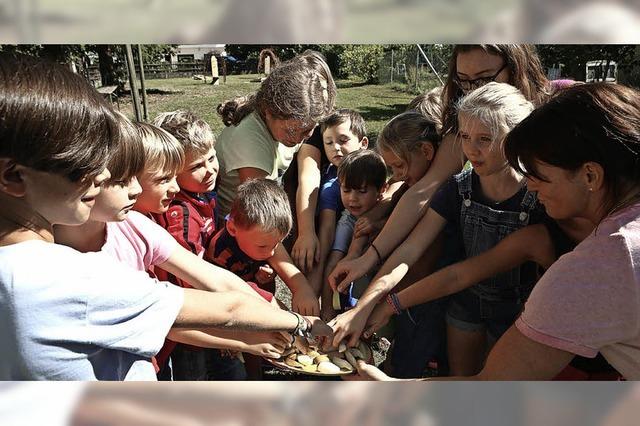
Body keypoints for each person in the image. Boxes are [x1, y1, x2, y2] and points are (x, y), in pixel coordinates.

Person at [0, 52, 331, 380]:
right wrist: (299, 323)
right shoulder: (67, 280)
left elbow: (210, 280)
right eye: (84, 163)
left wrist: (261, 324)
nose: (102, 177)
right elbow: (224, 311)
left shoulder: (116, 234)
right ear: (14, 177)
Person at [354, 82, 640, 381]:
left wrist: (388, 387)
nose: (530, 185)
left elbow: (492, 386)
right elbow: (462, 274)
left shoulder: (593, 268)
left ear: (591, 175)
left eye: (540, 175)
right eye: (465, 136)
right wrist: (387, 303)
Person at [53, 114, 290, 377]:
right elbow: (172, 317)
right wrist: (247, 336)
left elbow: (212, 278)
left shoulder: (136, 225)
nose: (175, 188)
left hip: (150, 359)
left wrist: (279, 316)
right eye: (122, 180)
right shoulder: (75, 262)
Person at [332, 83, 544, 377]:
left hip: (519, 316)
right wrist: (363, 307)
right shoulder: (457, 189)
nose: (472, 149)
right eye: (466, 137)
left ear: (517, 135)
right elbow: (409, 249)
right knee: (460, 384)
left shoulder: (539, 195)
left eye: (485, 138)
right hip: (464, 310)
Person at [329, 45, 558, 304]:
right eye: (464, 80)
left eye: (484, 78)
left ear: (516, 68)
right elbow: (423, 191)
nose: (473, 90)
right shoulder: (459, 161)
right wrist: (368, 259)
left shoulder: (556, 109)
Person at [150, 109, 245, 381]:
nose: (210, 170)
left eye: (212, 158)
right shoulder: (179, 213)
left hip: (205, 311)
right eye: (196, 167)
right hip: (192, 325)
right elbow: (188, 277)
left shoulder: (200, 195)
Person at [215, 51, 336, 222]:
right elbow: (260, 214)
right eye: (292, 131)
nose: (303, 137)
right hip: (245, 227)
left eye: (309, 128)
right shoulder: (248, 139)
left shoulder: (295, 121)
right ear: (268, 111)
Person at [207, 178, 319, 315]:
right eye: (263, 247)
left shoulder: (257, 238)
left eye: (277, 244)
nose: (271, 253)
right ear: (232, 228)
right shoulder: (219, 254)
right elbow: (226, 293)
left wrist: (264, 275)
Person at [305, 109, 369, 297]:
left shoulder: (374, 167)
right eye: (329, 142)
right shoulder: (330, 185)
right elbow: (327, 227)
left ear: (363, 143)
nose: (336, 148)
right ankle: (327, 312)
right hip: (342, 247)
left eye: (343, 140)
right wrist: (319, 269)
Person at [320, 150, 388, 320]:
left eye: (362, 191)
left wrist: (377, 224)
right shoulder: (347, 220)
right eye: (347, 190)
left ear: (382, 189)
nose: (352, 199)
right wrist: (328, 308)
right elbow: (334, 261)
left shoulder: (389, 211)